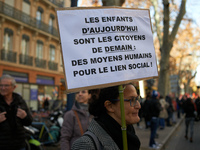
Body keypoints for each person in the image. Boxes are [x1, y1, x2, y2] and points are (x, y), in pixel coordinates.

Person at [71, 84, 141, 150]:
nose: (138, 106)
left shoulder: (129, 136)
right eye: (131, 100)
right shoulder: (86, 145)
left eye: (137, 99)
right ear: (109, 106)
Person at [0, 74, 33, 150]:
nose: (2, 88)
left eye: (6, 86)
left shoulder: (19, 100)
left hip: (19, 145)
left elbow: (29, 122)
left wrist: (24, 117)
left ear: (14, 87)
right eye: (1, 85)